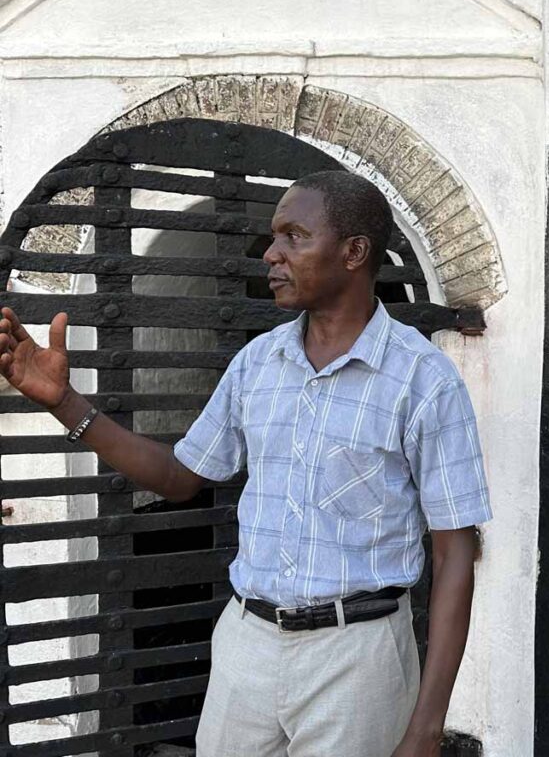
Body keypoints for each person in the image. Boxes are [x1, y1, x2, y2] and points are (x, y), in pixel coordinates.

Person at [0, 170, 492, 757]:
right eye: (273, 237)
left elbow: (454, 551)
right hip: (247, 645)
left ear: (355, 252)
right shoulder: (257, 364)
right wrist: (66, 404)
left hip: (358, 657)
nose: (271, 254)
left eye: (293, 237)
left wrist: (426, 727)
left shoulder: (424, 380)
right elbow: (181, 477)